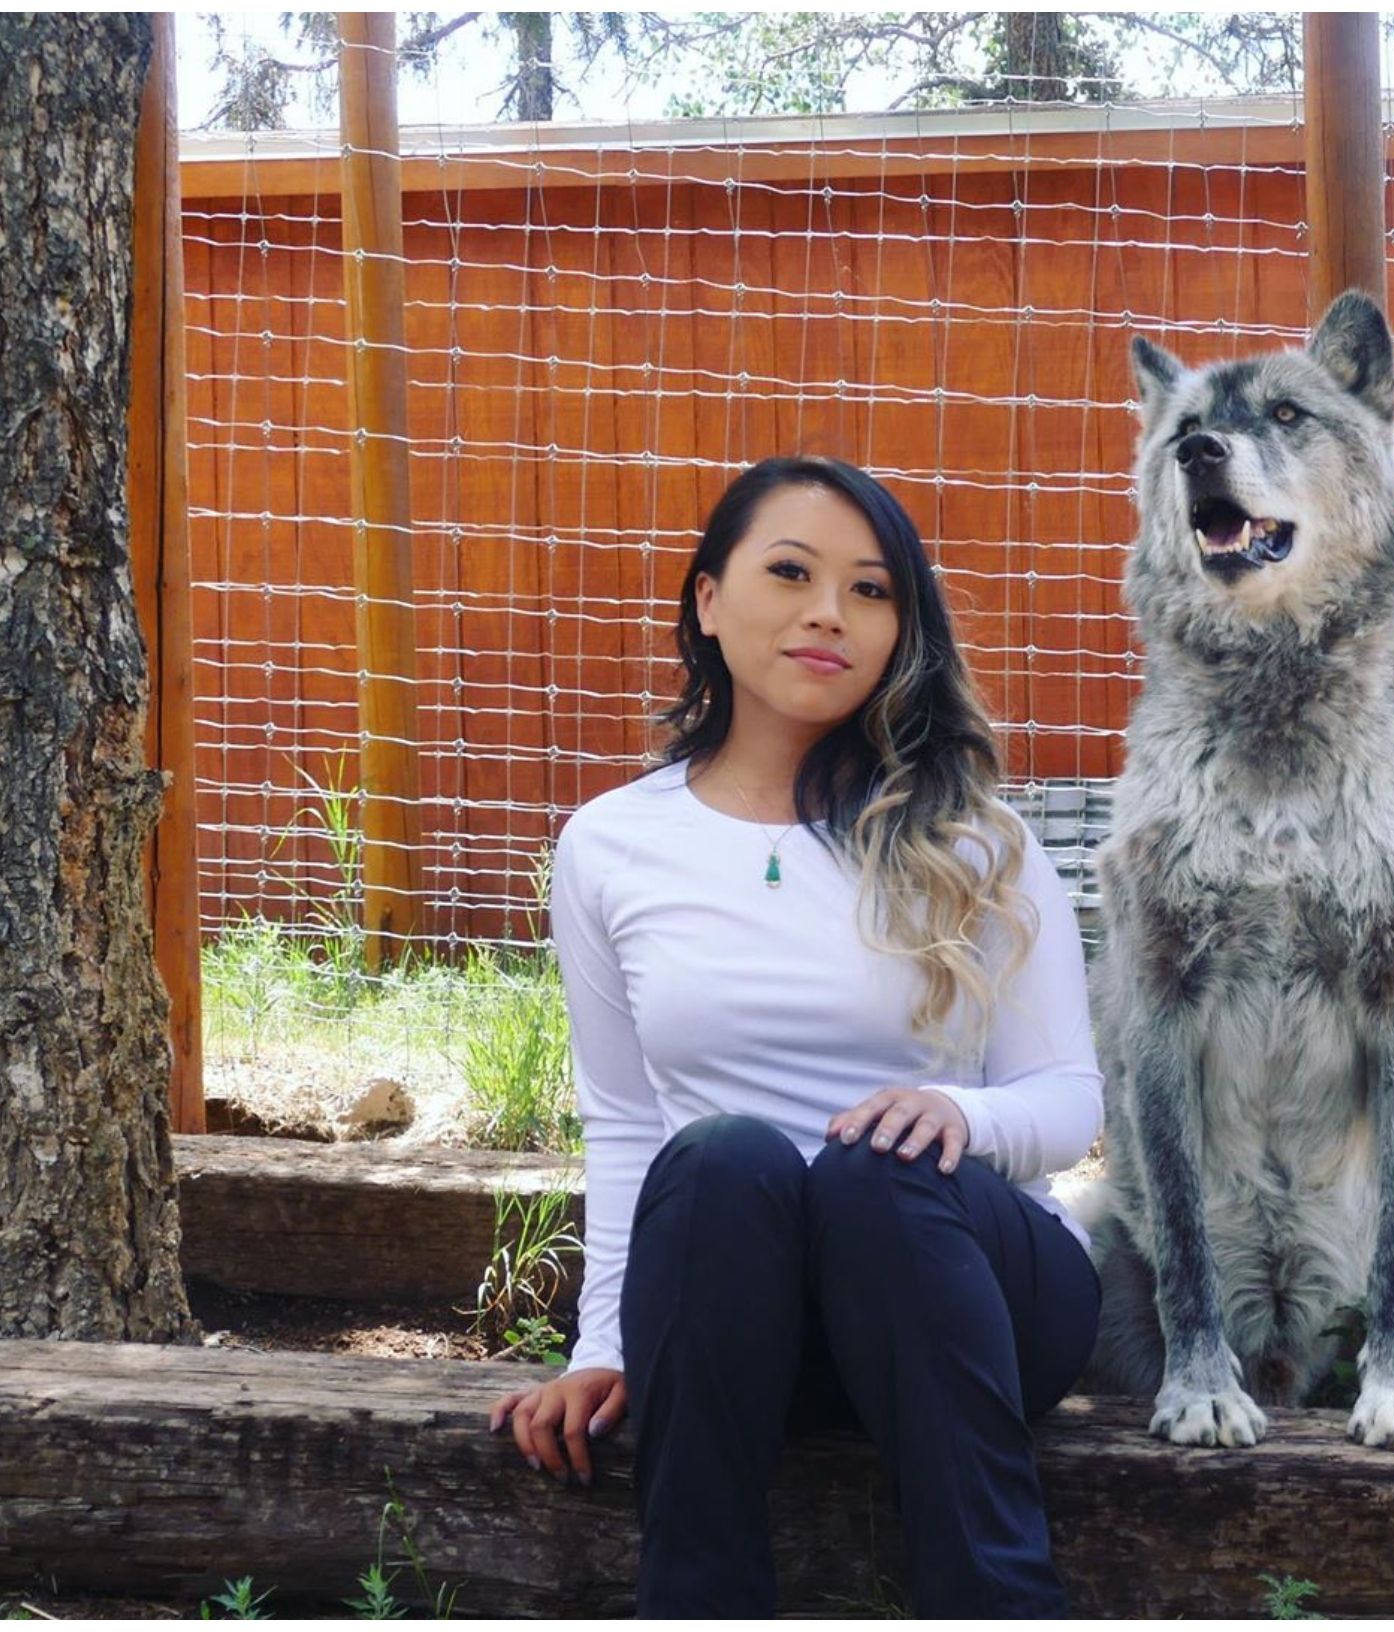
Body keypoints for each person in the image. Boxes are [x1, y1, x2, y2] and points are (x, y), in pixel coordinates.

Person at [488, 455, 1102, 1617]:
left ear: (900, 633)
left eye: (872, 591)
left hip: (970, 1293)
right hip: (741, 1311)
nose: (830, 611)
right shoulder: (613, 845)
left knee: (874, 1175)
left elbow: (1070, 1099)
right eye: (791, 572)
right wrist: (599, 1346)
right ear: (709, 601)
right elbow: (628, 1127)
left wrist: (960, 1115)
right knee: (720, 1157)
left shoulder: (979, 843)